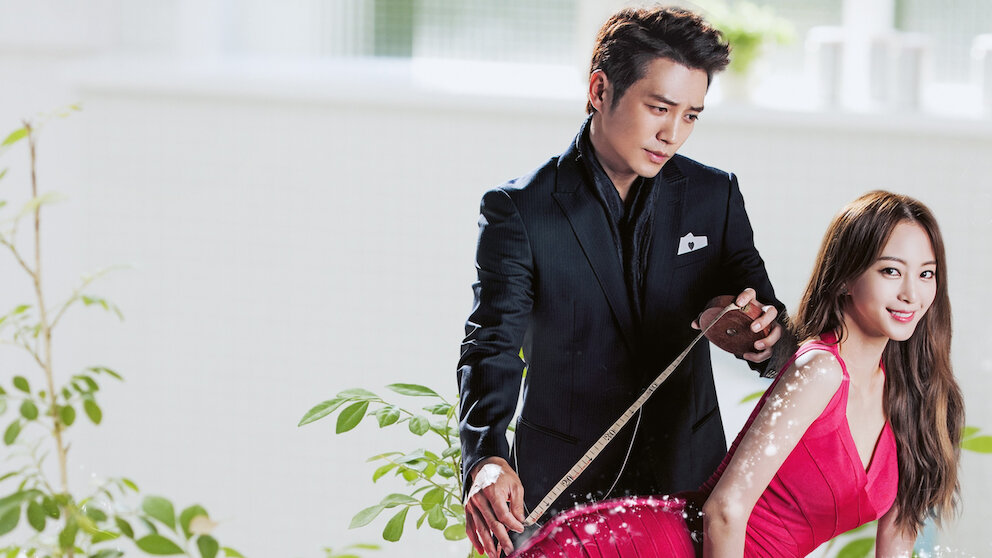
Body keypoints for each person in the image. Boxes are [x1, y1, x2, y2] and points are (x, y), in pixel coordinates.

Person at [457, 6, 786, 557]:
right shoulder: (520, 209)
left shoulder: (715, 196)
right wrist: (486, 457)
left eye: (691, 116)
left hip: (687, 480)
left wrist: (758, 335)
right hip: (565, 490)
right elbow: (490, 344)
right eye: (659, 108)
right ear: (599, 90)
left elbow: (773, 329)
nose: (672, 134)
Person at [510, 190, 965, 557]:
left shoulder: (915, 400)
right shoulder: (820, 370)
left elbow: (900, 533)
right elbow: (725, 511)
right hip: (645, 547)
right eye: (891, 271)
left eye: (926, 274)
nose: (912, 294)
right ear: (846, 277)